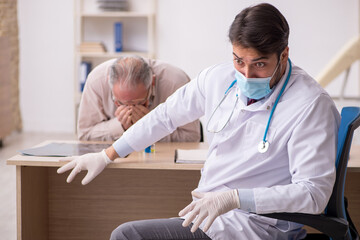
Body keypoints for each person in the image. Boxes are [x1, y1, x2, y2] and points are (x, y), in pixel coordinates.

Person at [58, 3, 340, 239]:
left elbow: (313, 195)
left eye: (260, 64)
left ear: (284, 55)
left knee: (127, 236)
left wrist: (235, 198)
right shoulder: (218, 79)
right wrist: (109, 154)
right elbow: (165, 117)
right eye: (239, 61)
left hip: (255, 227)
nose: (246, 74)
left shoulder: (310, 104)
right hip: (209, 217)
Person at [77, 55, 201, 142]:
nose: (130, 110)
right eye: (120, 103)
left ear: (152, 82)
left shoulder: (176, 82)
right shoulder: (96, 81)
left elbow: (192, 136)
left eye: (139, 103)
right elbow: (84, 134)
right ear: (109, 81)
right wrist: (120, 126)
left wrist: (152, 124)